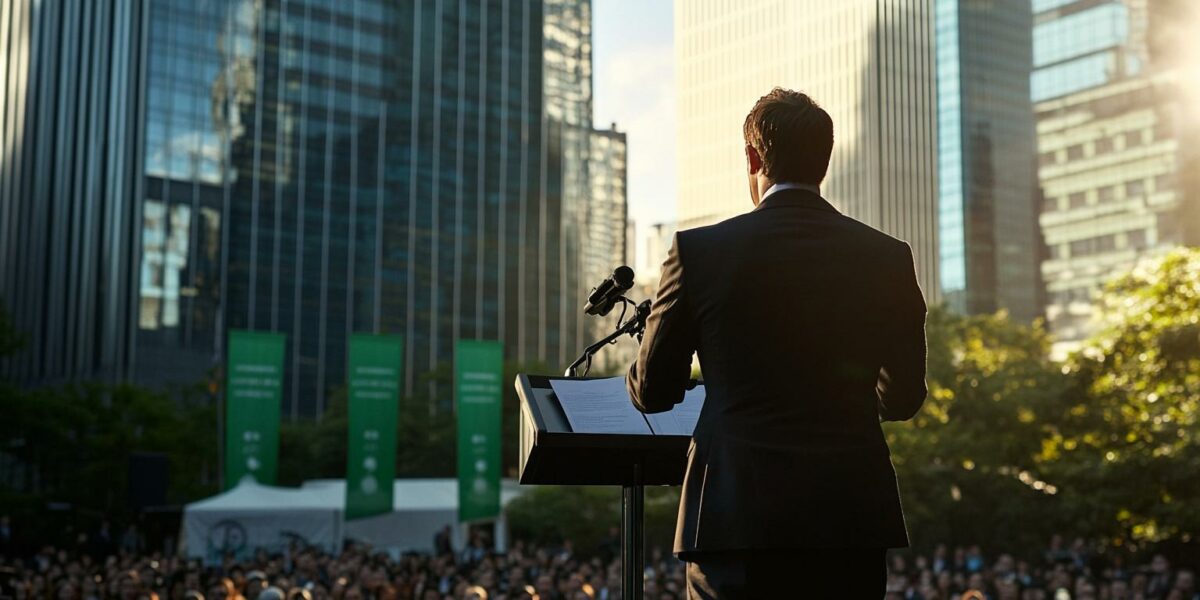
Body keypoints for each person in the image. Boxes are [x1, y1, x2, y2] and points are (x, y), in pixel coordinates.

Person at [626, 87, 928, 598]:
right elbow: (902, 398)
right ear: (824, 161)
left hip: (733, 516)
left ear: (752, 156)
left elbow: (654, 391)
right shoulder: (887, 257)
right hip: (849, 517)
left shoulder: (698, 252)